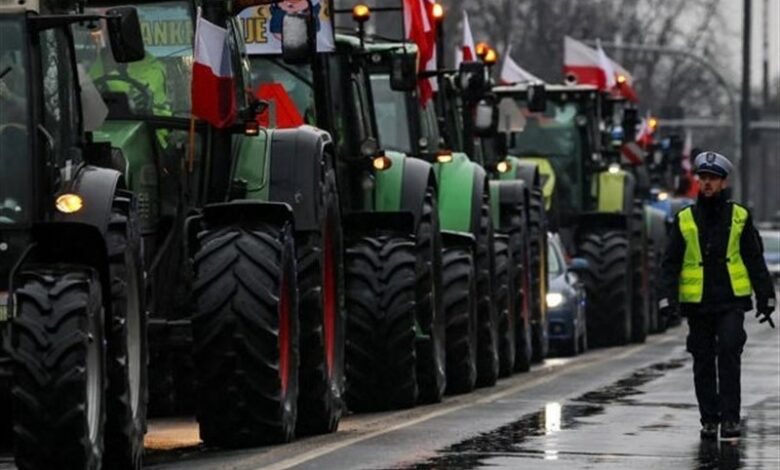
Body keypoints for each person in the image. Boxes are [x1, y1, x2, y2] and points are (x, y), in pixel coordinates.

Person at [659, 151, 777, 440]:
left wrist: (766, 297)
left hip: (730, 301)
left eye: (713, 179)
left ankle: (731, 418)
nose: (708, 184)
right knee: (702, 360)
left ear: (724, 183)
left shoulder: (739, 216)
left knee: (728, 353)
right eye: (704, 178)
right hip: (697, 304)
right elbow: (670, 263)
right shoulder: (685, 219)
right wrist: (667, 299)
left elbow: (754, 258)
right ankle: (709, 419)